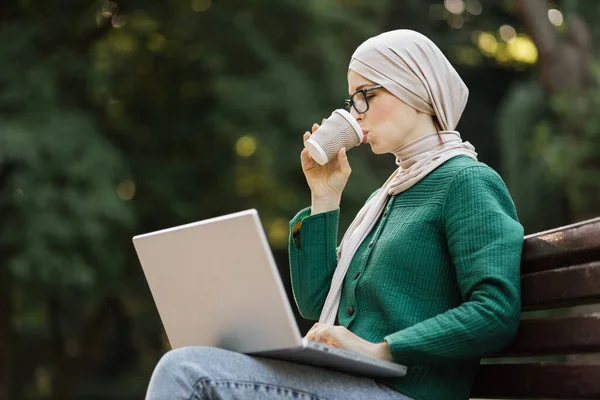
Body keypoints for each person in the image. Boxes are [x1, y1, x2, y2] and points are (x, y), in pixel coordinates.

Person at [145, 30, 523, 400]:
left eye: (366, 96)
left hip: (401, 390)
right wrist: (324, 198)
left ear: (413, 88)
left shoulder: (466, 181)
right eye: (353, 98)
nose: (355, 113)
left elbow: (495, 311)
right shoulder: (388, 194)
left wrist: (380, 350)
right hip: (349, 382)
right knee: (196, 363)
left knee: (186, 373)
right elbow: (316, 304)